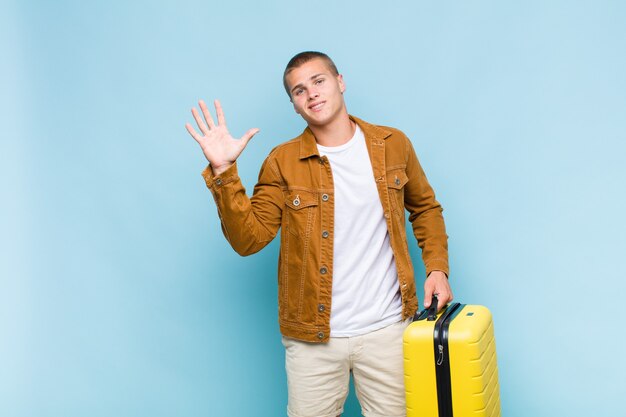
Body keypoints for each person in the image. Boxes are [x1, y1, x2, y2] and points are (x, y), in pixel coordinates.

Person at [185, 51, 453, 417]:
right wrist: (224, 171)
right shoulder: (282, 161)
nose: (311, 93)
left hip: (387, 329)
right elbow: (249, 240)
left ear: (340, 82)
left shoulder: (393, 144)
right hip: (312, 338)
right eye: (299, 90)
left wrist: (437, 267)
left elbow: (425, 209)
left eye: (319, 81)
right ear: (295, 105)